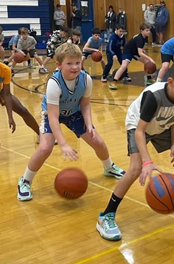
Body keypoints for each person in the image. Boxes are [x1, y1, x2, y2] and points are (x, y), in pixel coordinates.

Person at [96, 59, 174, 241]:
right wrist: (147, 162)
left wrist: (173, 144)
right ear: (170, 82)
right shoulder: (153, 96)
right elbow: (140, 132)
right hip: (138, 124)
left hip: (164, 124)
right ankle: (106, 216)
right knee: (134, 169)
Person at [17, 43, 126, 201]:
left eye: (77, 63)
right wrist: (63, 144)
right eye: (69, 63)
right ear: (59, 65)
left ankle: (109, 167)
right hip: (52, 114)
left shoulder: (85, 78)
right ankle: (25, 181)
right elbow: (54, 118)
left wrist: (89, 124)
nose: (75, 67)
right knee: (45, 148)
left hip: (74, 112)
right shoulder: (54, 83)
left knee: (98, 142)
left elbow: (86, 104)